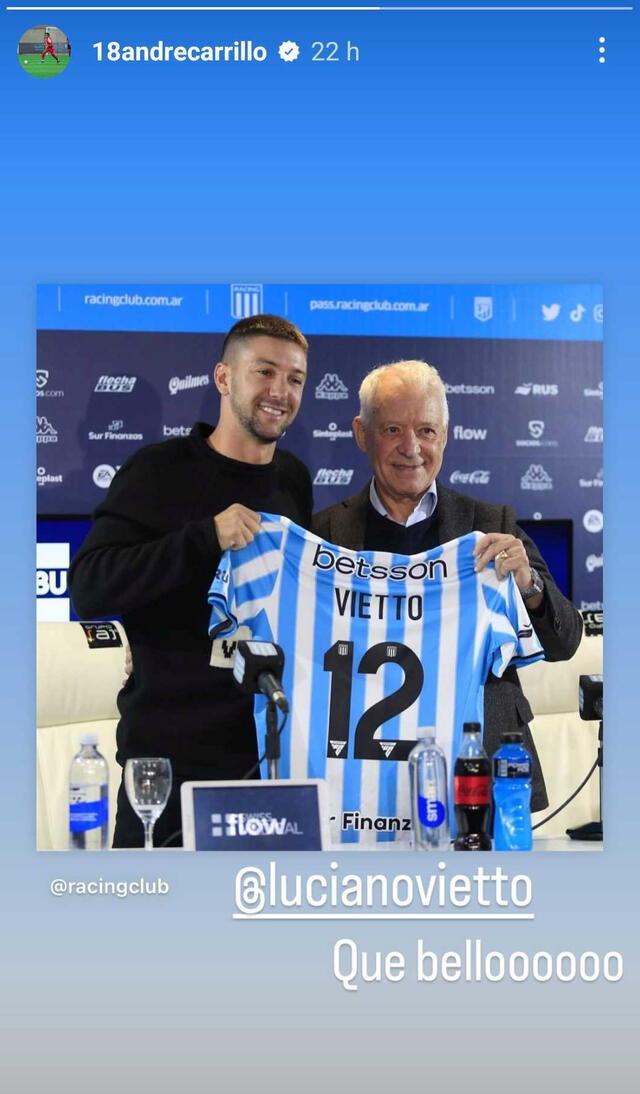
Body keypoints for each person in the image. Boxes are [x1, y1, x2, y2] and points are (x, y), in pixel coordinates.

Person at [69, 314, 312, 847]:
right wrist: (203, 537)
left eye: (294, 379)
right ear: (224, 379)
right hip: (166, 766)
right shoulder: (157, 470)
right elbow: (89, 587)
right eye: (264, 372)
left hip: (266, 759)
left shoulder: (295, 479)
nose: (280, 392)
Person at [312, 360, 583, 813]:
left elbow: (565, 641)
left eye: (427, 431)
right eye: (393, 429)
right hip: (357, 773)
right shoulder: (322, 536)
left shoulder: (491, 525)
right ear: (362, 433)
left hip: (479, 771)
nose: (411, 448)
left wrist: (528, 583)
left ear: (446, 435)